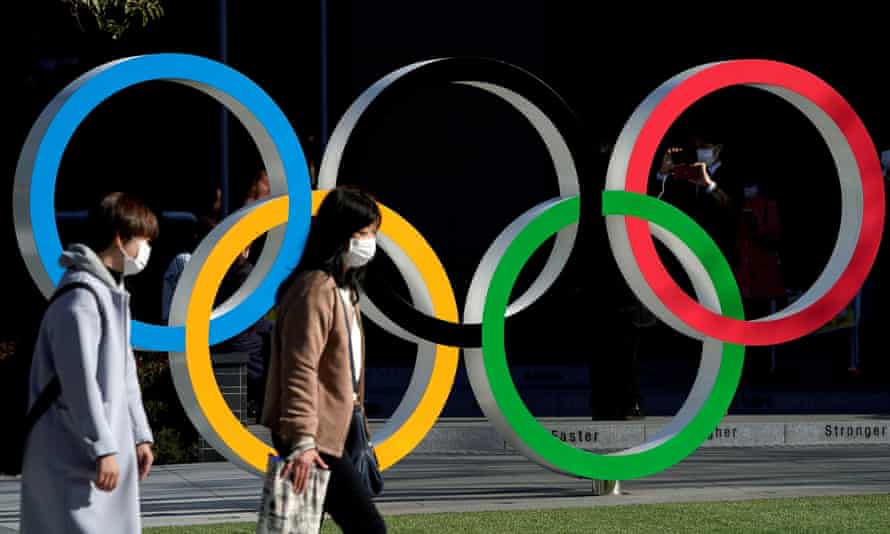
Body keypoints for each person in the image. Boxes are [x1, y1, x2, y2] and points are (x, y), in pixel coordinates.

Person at [21, 192, 157, 534]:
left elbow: (126, 375)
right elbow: (79, 382)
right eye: (143, 240)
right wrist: (104, 447)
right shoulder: (82, 299)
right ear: (119, 237)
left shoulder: (107, 293)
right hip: (71, 451)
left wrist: (140, 436)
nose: (145, 250)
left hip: (93, 449)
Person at [261, 186, 387, 533]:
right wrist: (302, 440)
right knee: (367, 528)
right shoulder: (315, 288)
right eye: (362, 233)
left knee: (299, 528)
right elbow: (300, 368)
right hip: (313, 434)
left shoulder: (342, 289)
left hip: (334, 431)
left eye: (373, 233)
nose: (370, 242)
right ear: (339, 234)